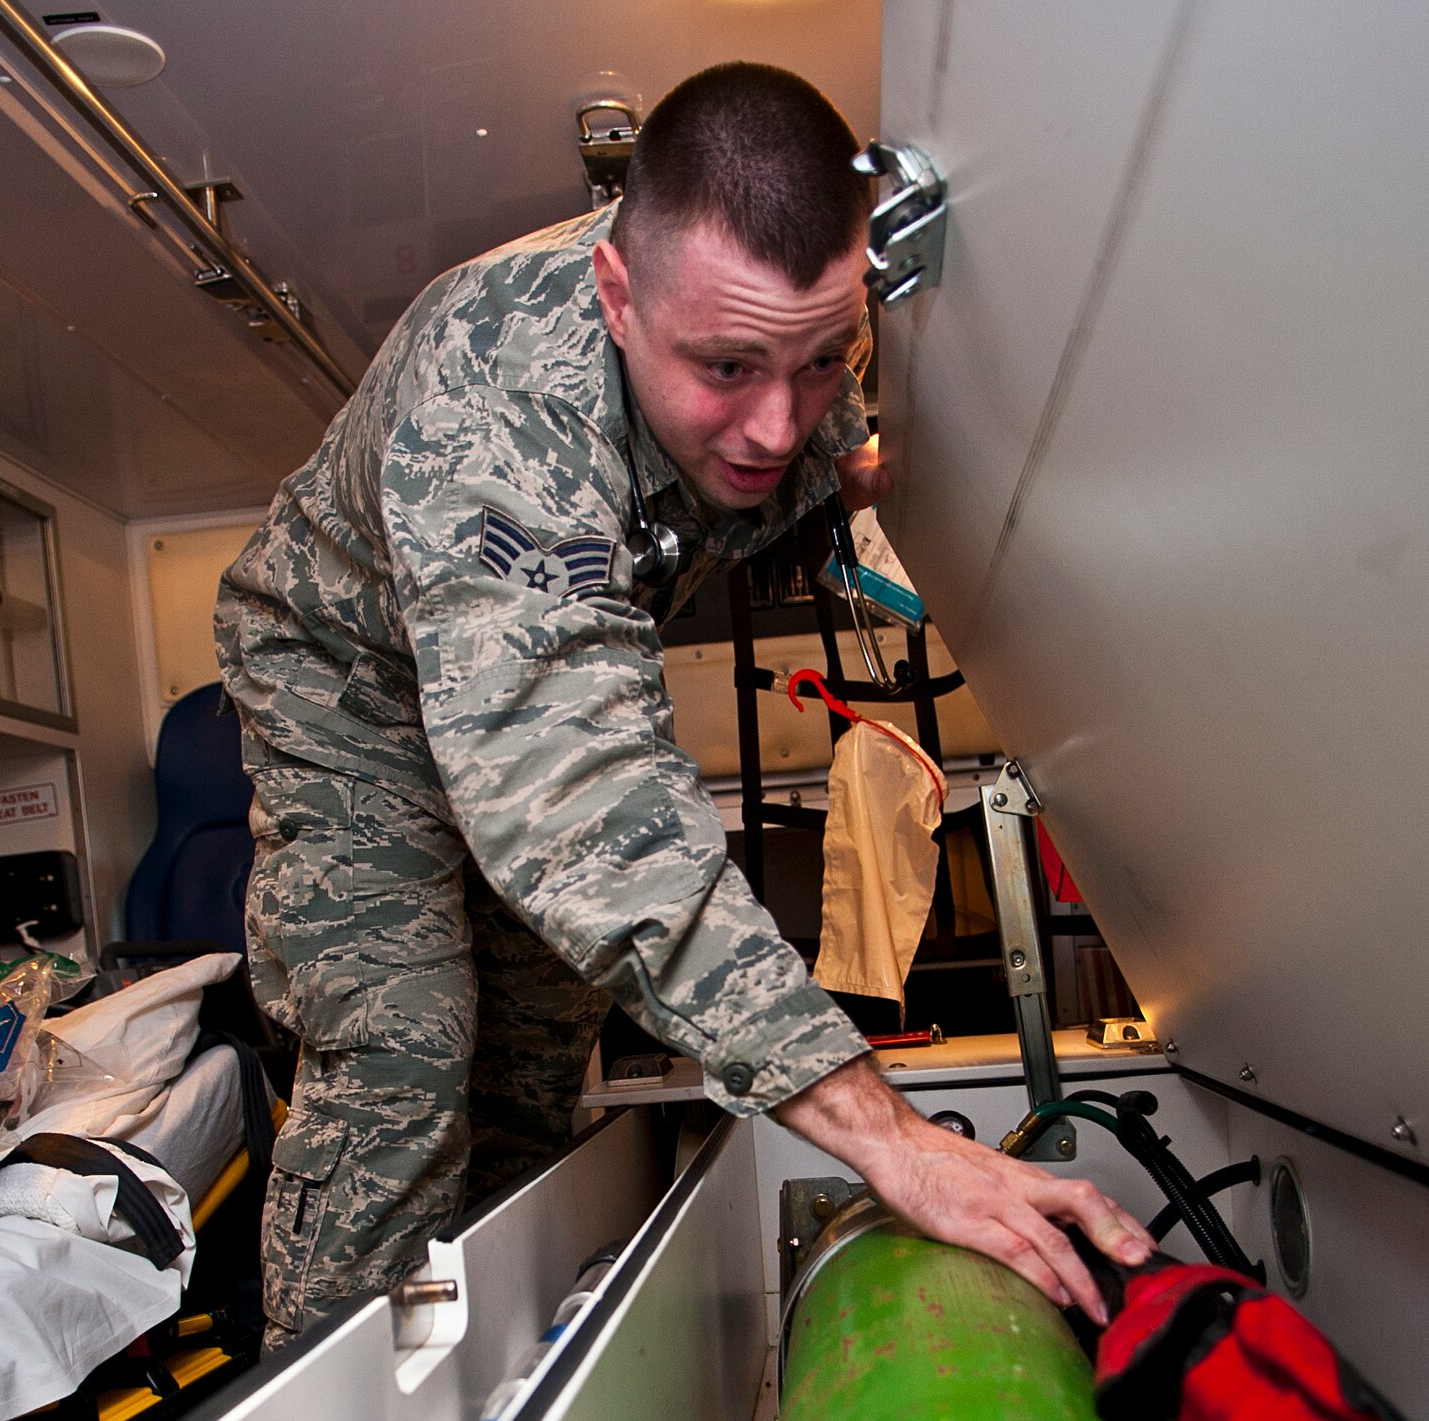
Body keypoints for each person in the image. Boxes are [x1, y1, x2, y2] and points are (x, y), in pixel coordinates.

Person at [218, 62, 1152, 1341]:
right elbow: (579, 809)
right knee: (405, 1053)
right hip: (351, 693)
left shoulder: (793, 353)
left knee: (536, 1061)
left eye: (820, 361)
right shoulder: (502, 397)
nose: (775, 424)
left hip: (524, 698)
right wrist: (884, 1135)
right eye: (726, 367)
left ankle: (486, 1391)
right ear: (617, 294)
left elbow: (810, 460)